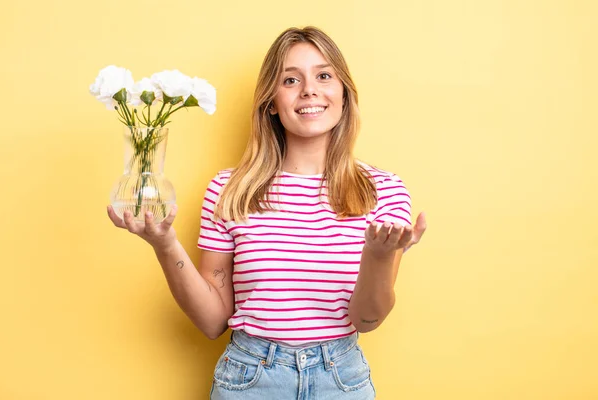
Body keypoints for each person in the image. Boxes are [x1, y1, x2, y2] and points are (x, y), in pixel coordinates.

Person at [107, 26, 427, 400]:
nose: (309, 89)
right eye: (291, 79)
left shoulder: (383, 190)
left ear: (343, 93)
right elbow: (212, 323)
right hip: (250, 380)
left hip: (342, 381)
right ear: (272, 101)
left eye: (324, 76)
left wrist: (377, 256)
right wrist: (165, 246)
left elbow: (367, 321)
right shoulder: (231, 190)